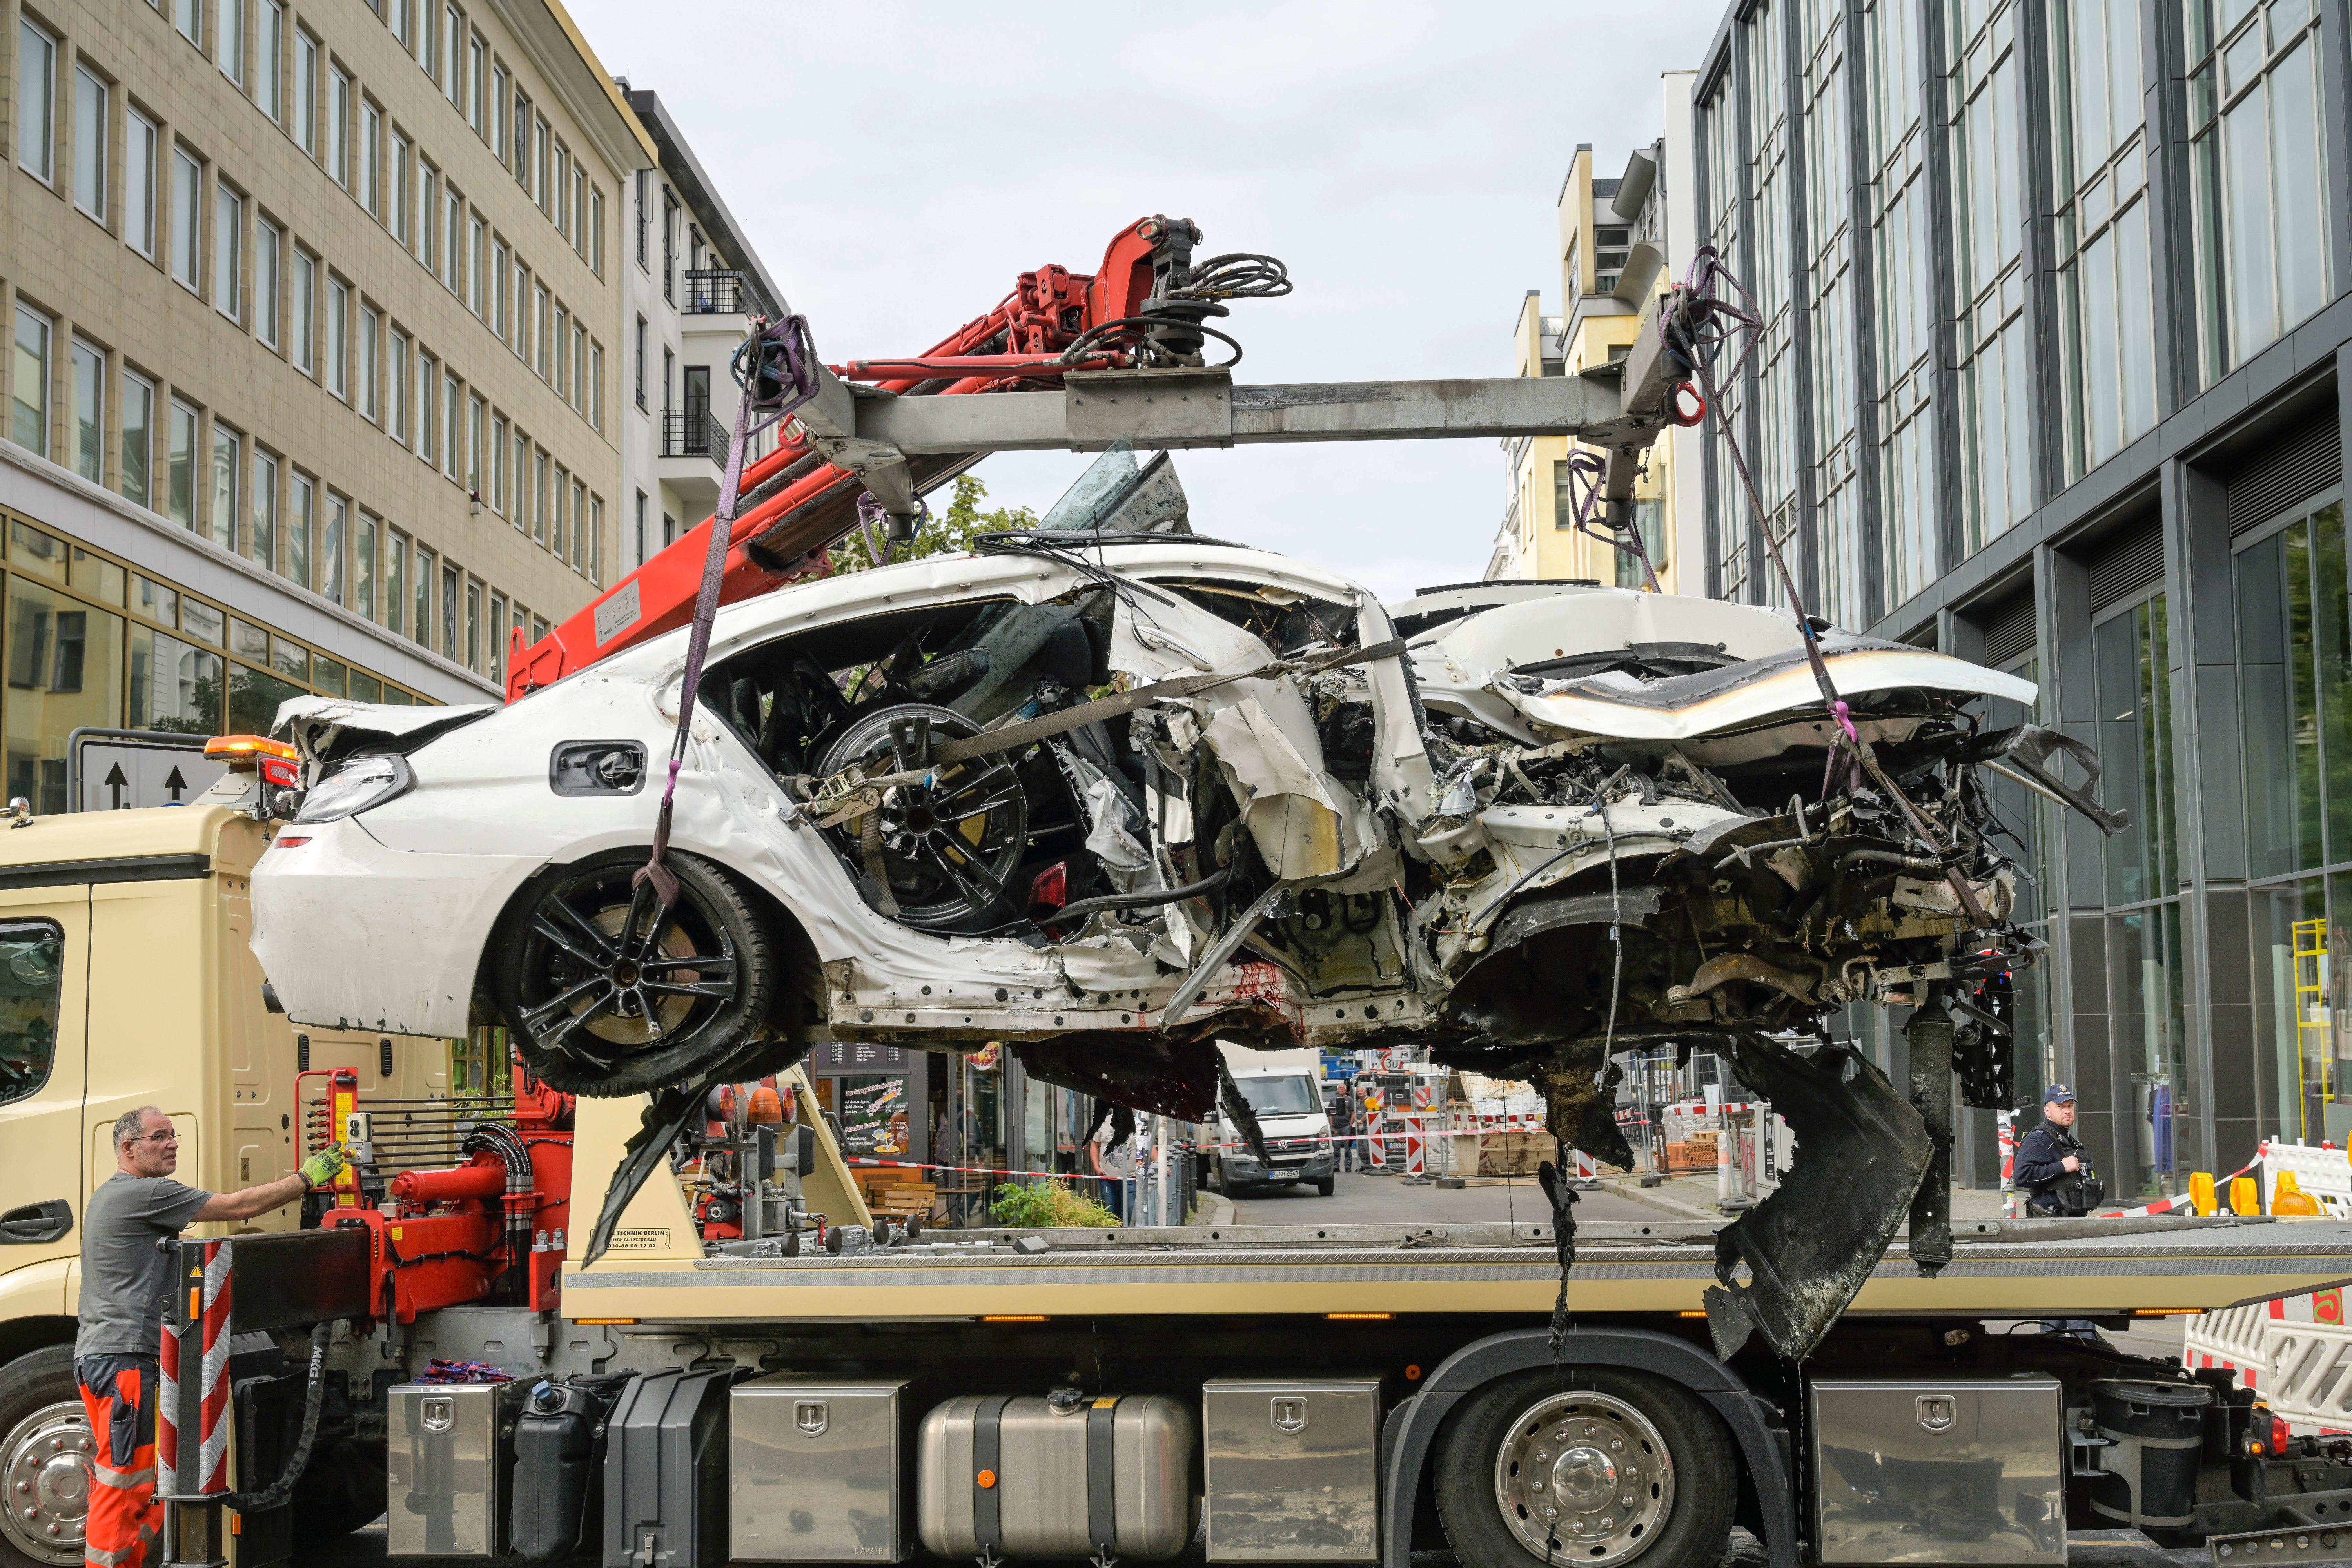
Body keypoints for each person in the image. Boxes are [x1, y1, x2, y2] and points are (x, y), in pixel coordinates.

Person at [75, 1107, 346, 1568]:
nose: (172, 1143)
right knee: (127, 1482)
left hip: (111, 1357)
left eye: (173, 1134)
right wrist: (305, 1178)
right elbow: (237, 1207)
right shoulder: (146, 1192)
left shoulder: (118, 1195)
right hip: (123, 1360)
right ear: (128, 1148)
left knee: (138, 1482)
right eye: (159, 1137)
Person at [2012, 1085, 2101, 1216]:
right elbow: (2021, 1177)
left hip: (2072, 1222)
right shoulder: (2039, 1138)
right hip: (2049, 1224)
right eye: (2060, 1107)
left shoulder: (2069, 1140)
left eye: (2070, 1106)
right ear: (2047, 1112)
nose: (2067, 1111)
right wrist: (2062, 1167)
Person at [1332, 1090, 1358, 1172]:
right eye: (1340, 1088)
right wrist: (1331, 1125)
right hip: (1336, 1128)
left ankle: (1348, 1167)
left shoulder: (1350, 1099)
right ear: (1338, 1090)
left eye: (1343, 1088)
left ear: (1346, 1090)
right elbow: (1330, 1113)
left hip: (1346, 1127)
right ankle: (1336, 1166)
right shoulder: (1333, 1100)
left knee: (1347, 1148)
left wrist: (1350, 1125)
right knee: (1336, 1148)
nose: (1342, 1089)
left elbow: (1353, 1113)